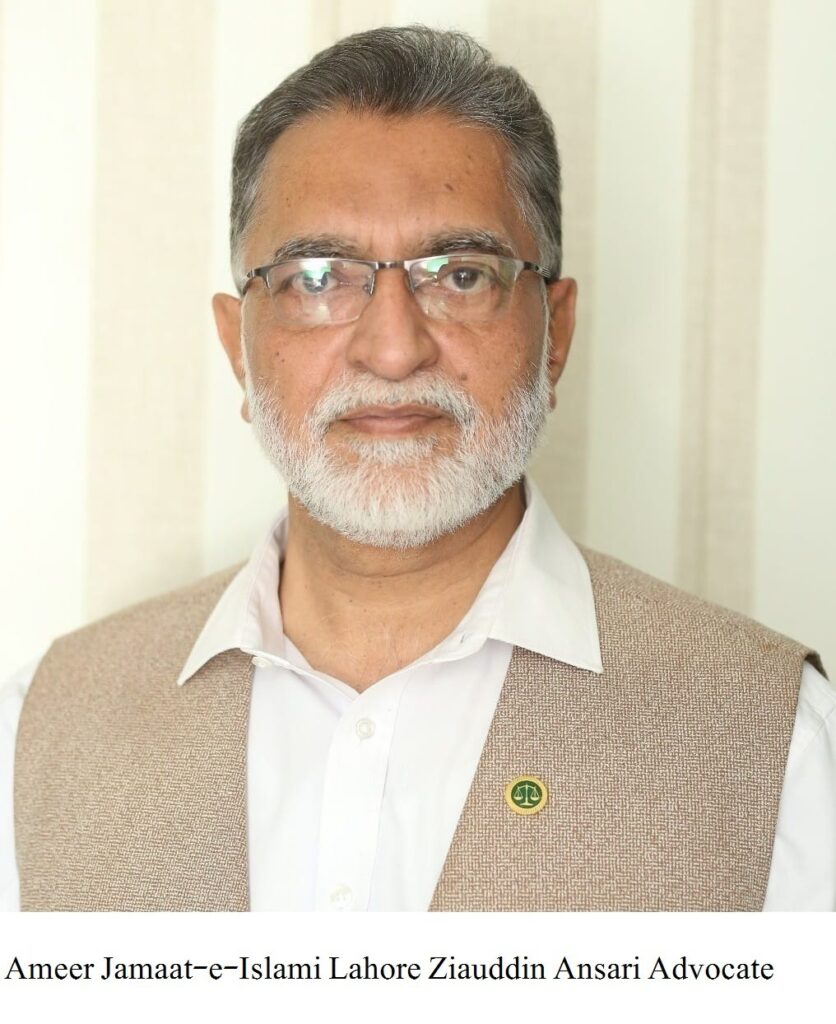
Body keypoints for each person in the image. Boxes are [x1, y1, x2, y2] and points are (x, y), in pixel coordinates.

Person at [2, 25, 833, 912]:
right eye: (318, 277)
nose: (394, 349)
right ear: (238, 348)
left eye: (461, 274)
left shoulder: (774, 741)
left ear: (555, 335)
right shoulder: (39, 731)